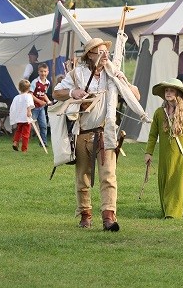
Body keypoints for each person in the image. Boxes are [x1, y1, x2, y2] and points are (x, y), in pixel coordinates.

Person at [53, 37, 140, 231]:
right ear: (90, 55)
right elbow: (56, 93)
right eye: (100, 52)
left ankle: (109, 217)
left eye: (106, 52)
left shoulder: (112, 72)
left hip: (106, 134)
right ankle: (85, 215)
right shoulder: (77, 74)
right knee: (82, 176)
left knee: (109, 175)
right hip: (83, 132)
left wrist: (123, 81)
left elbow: (136, 96)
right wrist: (73, 92)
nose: (105, 55)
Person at [144, 78, 183, 219]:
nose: (168, 93)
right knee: (164, 182)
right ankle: (169, 210)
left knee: (176, 184)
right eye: (167, 90)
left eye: (171, 90)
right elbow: (152, 135)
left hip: (179, 155)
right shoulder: (158, 113)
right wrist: (148, 152)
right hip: (164, 155)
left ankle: (172, 213)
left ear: (178, 93)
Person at [9, 79, 34, 152]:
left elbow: (13, 107)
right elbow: (29, 104)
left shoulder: (16, 97)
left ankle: (15, 142)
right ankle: (24, 149)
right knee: (26, 134)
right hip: (26, 118)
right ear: (29, 88)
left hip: (19, 118)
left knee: (18, 131)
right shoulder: (28, 96)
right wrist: (29, 111)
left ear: (19, 88)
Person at [30, 63, 51, 147]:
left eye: (45, 71)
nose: (43, 73)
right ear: (38, 72)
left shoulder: (48, 83)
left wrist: (48, 101)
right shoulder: (35, 82)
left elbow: (44, 94)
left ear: (48, 72)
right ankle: (23, 140)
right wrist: (39, 101)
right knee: (30, 125)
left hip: (41, 108)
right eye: (41, 71)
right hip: (34, 107)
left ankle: (43, 142)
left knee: (43, 125)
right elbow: (30, 94)